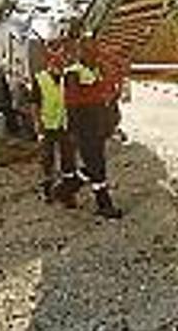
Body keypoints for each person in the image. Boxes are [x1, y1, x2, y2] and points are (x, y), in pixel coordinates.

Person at [62, 33, 126, 219]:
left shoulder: (98, 70)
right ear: (81, 51)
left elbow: (107, 97)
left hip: (98, 127)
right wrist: (73, 131)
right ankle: (104, 205)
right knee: (97, 167)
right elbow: (71, 104)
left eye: (95, 48)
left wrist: (112, 120)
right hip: (84, 128)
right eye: (89, 49)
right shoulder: (73, 72)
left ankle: (65, 190)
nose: (94, 52)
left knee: (93, 166)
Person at [30, 44, 77, 206]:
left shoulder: (68, 78)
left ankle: (67, 194)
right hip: (47, 125)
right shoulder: (40, 79)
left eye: (61, 62)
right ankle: (48, 191)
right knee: (47, 160)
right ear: (49, 62)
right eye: (56, 62)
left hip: (65, 125)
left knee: (68, 161)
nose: (59, 65)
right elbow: (35, 104)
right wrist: (38, 124)